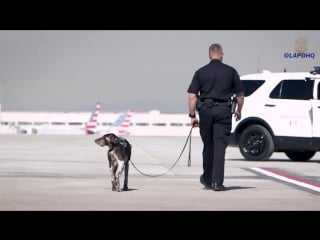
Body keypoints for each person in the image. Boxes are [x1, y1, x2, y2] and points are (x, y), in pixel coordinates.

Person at [187, 43, 244, 191]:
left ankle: (207, 179)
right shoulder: (231, 72)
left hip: (205, 111)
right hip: (224, 111)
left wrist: (192, 116)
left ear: (209, 55)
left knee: (208, 145)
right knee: (219, 146)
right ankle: (217, 183)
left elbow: (192, 97)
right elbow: (240, 95)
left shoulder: (201, 72)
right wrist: (239, 111)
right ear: (222, 54)